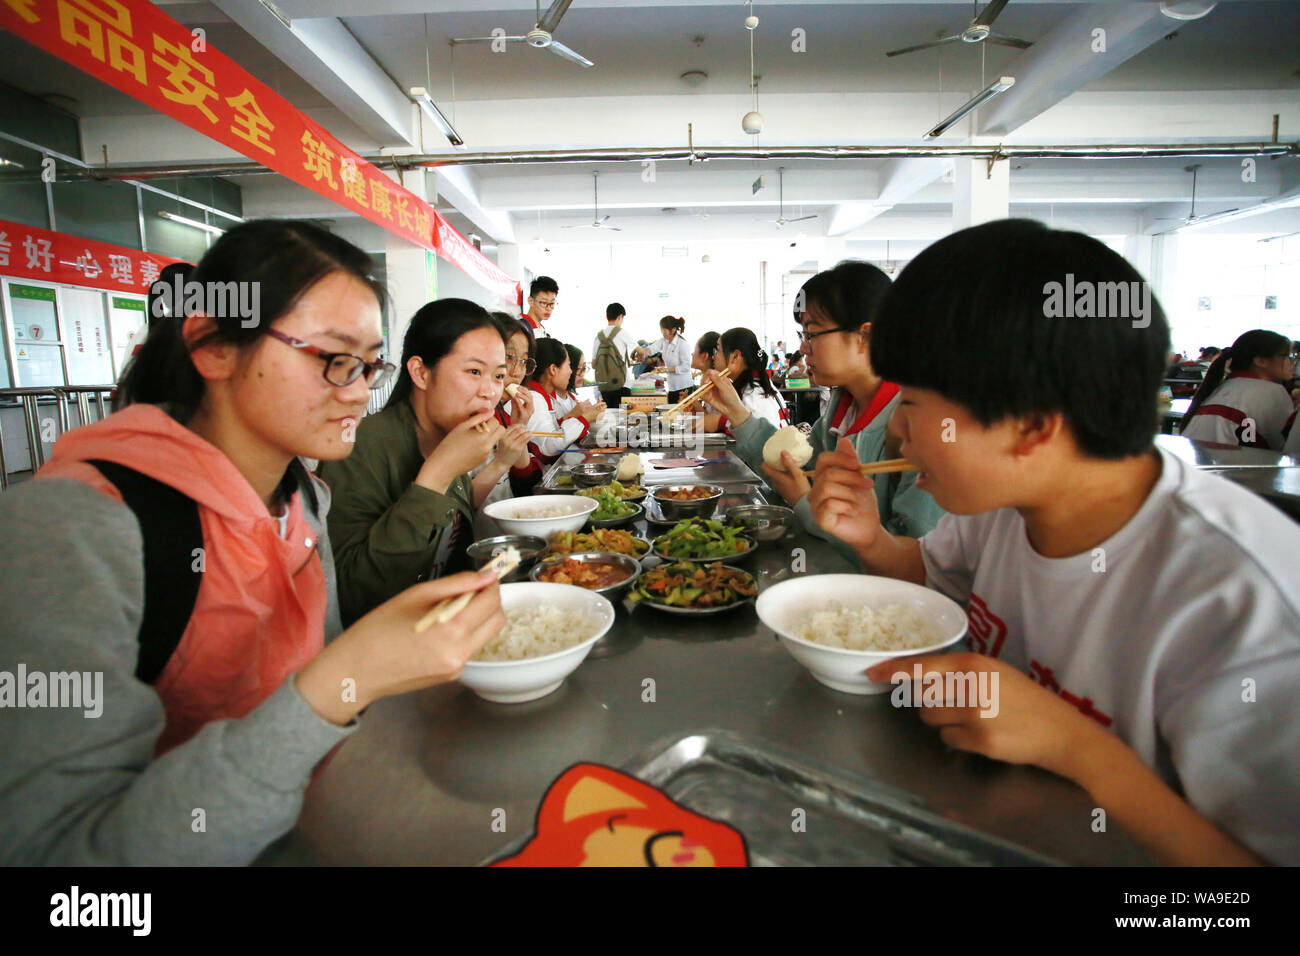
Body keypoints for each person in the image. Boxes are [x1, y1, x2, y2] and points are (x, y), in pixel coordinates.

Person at [0, 220, 505, 865]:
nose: (357, 390)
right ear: (213, 347)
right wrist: (343, 678)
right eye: (332, 358)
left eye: (367, 364)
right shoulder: (73, 528)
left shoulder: (301, 499)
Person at [808, 218, 1300, 866]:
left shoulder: (1245, 606)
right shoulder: (1002, 501)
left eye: (916, 405)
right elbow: (931, 576)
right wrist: (872, 540)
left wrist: (1080, 751)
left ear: (1031, 426)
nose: (897, 434)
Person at [704, 260, 944, 555]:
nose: (803, 348)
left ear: (864, 336)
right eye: (802, 336)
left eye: (811, 334)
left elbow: (917, 556)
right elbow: (798, 470)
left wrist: (807, 505)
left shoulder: (921, 424)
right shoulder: (842, 408)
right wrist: (738, 414)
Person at [317, 299, 529, 625]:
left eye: (498, 376)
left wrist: (513, 560)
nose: (489, 391)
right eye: (474, 372)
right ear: (420, 373)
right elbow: (352, 594)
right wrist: (439, 472)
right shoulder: (359, 447)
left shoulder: (450, 432)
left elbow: (451, 538)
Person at [1180, 330, 1295, 450]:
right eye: (1287, 355)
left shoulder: (1226, 385)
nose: (1292, 362)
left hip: (1198, 464)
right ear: (1261, 361)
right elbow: (1287, 446)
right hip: (1231, 465)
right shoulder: (1272, 391)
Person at [523, 338, 603, 468]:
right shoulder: (534, 398)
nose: (571, 372)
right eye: (568, 365)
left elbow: (552, 432)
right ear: (553, 369)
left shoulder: (544, 397)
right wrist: (584, 418)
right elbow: (549, 448)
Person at [702, 327, 788, 434]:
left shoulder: (754, 394)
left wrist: (720, 422)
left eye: (717, 350)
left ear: (735, 357)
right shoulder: (752, 386)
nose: (713, 357)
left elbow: (764, 440)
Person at [593, 302, 640, 409]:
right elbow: (640, 350)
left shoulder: (598, 336)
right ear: (620, 317)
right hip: (622, 384)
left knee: (609, 417)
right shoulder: (621, 332)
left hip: (604, 386)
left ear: (607, 316)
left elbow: (593, 364)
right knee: (622, 418)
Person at [646, 316, 693, 402]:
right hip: (672, 386)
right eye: (662, 329)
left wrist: (667, 370)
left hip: (683, 387)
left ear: (673, 329)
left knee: (682, 414)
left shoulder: (682, 344)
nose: (662, 332)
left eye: (664, 330)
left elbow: (686, 366)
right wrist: (642, 352)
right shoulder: (664, 341)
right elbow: (653, 348)